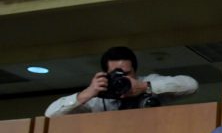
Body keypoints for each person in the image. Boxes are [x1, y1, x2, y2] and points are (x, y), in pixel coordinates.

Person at [44, 46, 198, 117]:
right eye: (115, 74)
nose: (121, 78)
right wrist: (88, 93)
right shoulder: (99, 96)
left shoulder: (147, 82)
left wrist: (145, 87)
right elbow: (50, 114)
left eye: (126, 73)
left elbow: (191, 85)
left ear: (135, 71)